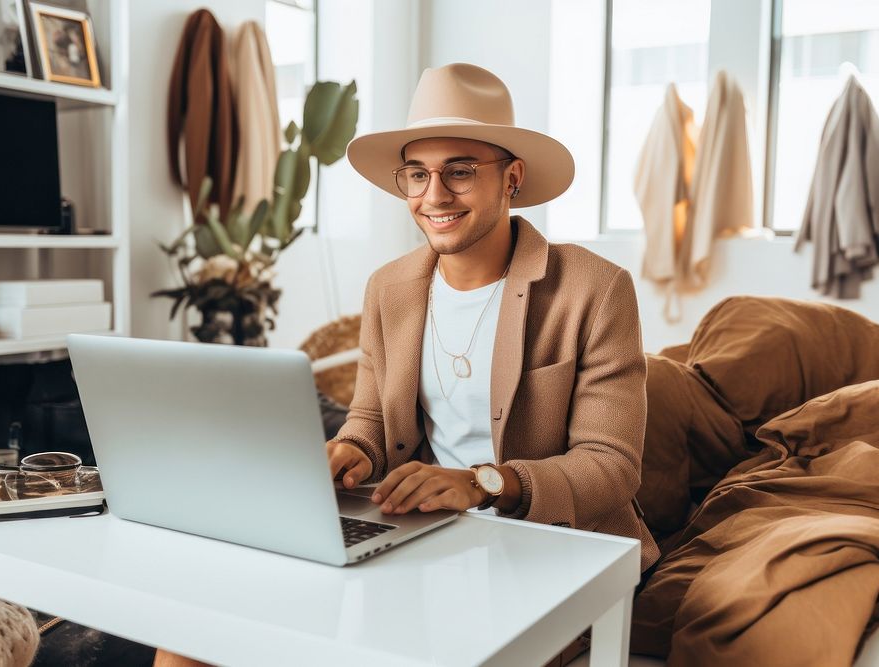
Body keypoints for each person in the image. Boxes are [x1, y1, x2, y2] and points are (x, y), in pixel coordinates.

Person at [153, 62, 657, 667]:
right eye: (417, 174)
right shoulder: (389, 288)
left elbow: (611, 467)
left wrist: (481, 482)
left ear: (512, 178)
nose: (433, 196)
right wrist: (354, 449)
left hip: (545, 548)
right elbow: (368, 414)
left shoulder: (593, 289)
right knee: (192, 631)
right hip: (419, 531)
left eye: (460, 172)